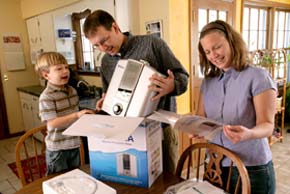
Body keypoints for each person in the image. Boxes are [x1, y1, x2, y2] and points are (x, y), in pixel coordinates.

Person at [83, 10, 189, 173]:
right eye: (96, 46)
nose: (103, 48)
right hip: (127, 134)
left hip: (160, 129)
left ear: (115, 27)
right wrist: (105, 102)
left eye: (104, 40)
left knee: (165, 180)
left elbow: (183, 77)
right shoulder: (106, 62)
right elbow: (108, 94)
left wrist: (171, 86)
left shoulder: (153, 44)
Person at [196, 20, 276, 194]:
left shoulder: (258, 77)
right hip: (214, 165)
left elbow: (268, 126)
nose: (213, 55)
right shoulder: (208, 83)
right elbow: (201, 119)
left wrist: (250, 134)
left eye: (217, 47)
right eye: (207, 52)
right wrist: (195, 129)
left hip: (251, 168)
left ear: (232, 42)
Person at [35, 52, 95, 175]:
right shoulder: (46, 97)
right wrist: (77, 115)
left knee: (75, 178)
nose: (65, 71)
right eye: (59, 69)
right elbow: (52, 124)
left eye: (66, 67)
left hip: (74, 144)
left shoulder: (72, 91)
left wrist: (85, 117)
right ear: (46, 75)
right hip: (58, 149)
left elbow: (74, 117)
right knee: (59, 182)